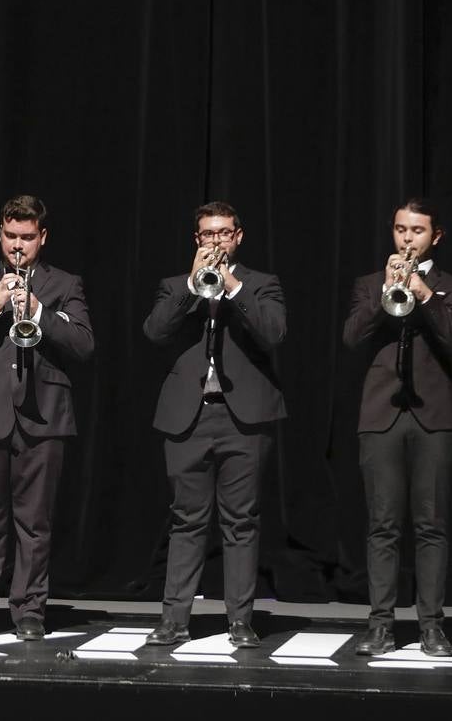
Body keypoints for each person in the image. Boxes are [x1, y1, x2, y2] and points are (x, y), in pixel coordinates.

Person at [0, 196, 95, 641]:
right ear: (0, 235)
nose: (18, 246)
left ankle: (29, 611)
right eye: (11, 236)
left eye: (27, 238)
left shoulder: (65, 284)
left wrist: (40, 312)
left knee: (35, 522)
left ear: (42, 238)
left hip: (44, 415)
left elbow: (85, 344)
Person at [142, 201, 286, 647]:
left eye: (224, 233)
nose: (216, 241)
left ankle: (240, 620)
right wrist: (193, 285)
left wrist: (234, 288)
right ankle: (174, 620)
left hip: (243, 419)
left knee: (241, 521)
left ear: (239, 236)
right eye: (208, 234)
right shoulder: (174, 286)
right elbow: (155, 331)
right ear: (196, 240)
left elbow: (273, 333)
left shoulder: (262, 284)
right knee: (186, 520)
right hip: (189, 417)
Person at [343, 198, 452, 657]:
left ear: (435, 236)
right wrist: (387, 294)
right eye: (400, 229)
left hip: (435, 419)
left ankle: (431, 625)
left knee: (431, 526)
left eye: (416, 231)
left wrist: (422, 294)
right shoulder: (369, 284)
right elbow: (352, 337)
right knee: (382, 526)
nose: (406, 239)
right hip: (381, 417)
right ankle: (380, 625)